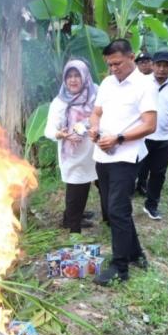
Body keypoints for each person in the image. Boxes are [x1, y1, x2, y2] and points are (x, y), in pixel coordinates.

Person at [88, 39, 158, 285]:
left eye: (117, 63)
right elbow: (96, 112)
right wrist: (94, 128)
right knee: (113, 209)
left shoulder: (144, 85)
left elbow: (150, 124)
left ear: (131, 57)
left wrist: (119, 138)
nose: (113, 68)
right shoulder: (107, 83)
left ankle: (121, 268)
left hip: (126, 157)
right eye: (109, 64)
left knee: (117, 209)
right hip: (102, 154)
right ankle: (136, 252)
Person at [44, 60, 98, 234]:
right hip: (72, 153)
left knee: (88, 185)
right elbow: (49, 130)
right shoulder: (60, 102)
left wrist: (84, 126)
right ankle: (74, 230)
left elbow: (101, 117)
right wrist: (60, 134)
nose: (73, 80)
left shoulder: (95, 94)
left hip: (94, 149)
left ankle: (73, 216)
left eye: (77, 76)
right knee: (76, 189)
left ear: (85, 77)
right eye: (69, 76)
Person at [135, 51, 168, 220]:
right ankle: (128, 195)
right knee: (137, 169)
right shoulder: (141, 83)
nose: (161, 69)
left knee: (159, 173)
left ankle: (151, 205)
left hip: (165, 138)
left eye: (166, 66)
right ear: (152, 66)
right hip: (143, 136)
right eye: (158, 65)